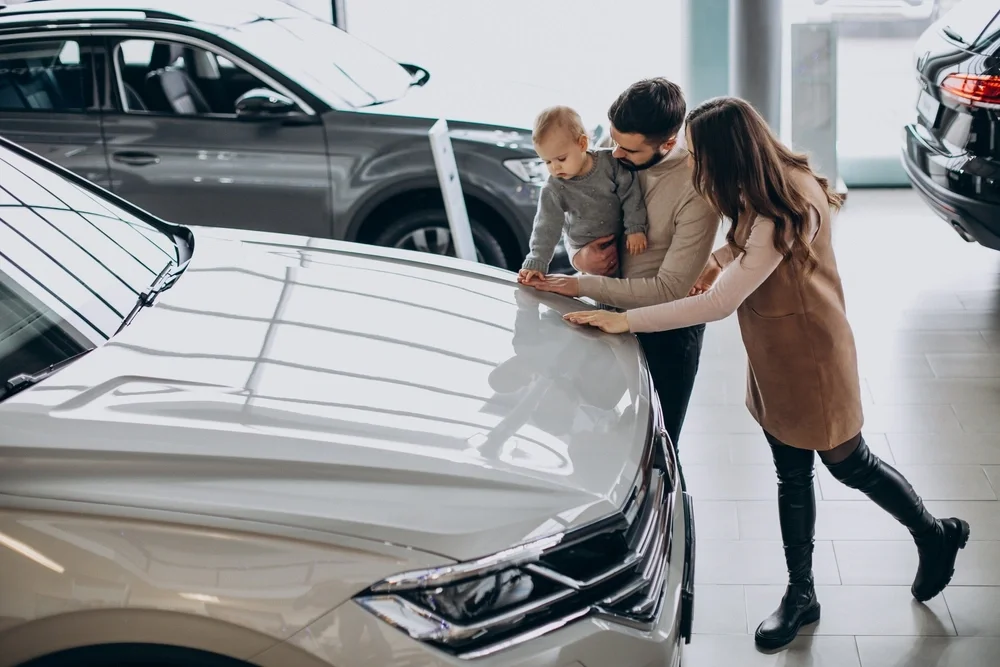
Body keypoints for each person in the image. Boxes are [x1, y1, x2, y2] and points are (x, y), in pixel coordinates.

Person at [560, 96, 971, 651]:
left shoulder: (785, 204)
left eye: (703, 158)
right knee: (792, 474)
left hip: (814, 359)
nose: (697, 168)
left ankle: (934, 534)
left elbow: (720, 303)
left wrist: (624, 319)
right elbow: (741, 250)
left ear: (728, 157)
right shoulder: (765, 185)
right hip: (774, 352)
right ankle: (802, 593)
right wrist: (712, 262)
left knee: (851, 463)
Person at [523, 79, 720, 453]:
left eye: (628, 148)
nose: (614, 154)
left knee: (658, 451)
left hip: (667, 333)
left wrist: (580, 284)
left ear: (667, 142)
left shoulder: (697, 190)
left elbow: (669, 290)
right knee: (589, 444)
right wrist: (582, 258)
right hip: (607, 316)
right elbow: (577, 222)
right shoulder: (605, 162)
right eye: (612, 140)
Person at [518, 105, 648, 283]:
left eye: (561, 159)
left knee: (621, 285)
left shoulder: (611, 163)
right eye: (547, 161)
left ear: (582, 144)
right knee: (601, 290)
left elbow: (631, 193)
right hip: (584, 247)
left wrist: (635, 228)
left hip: (620, 241)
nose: (554, 168)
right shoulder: (554, 187)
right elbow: (546, 226)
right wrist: (536, 261)